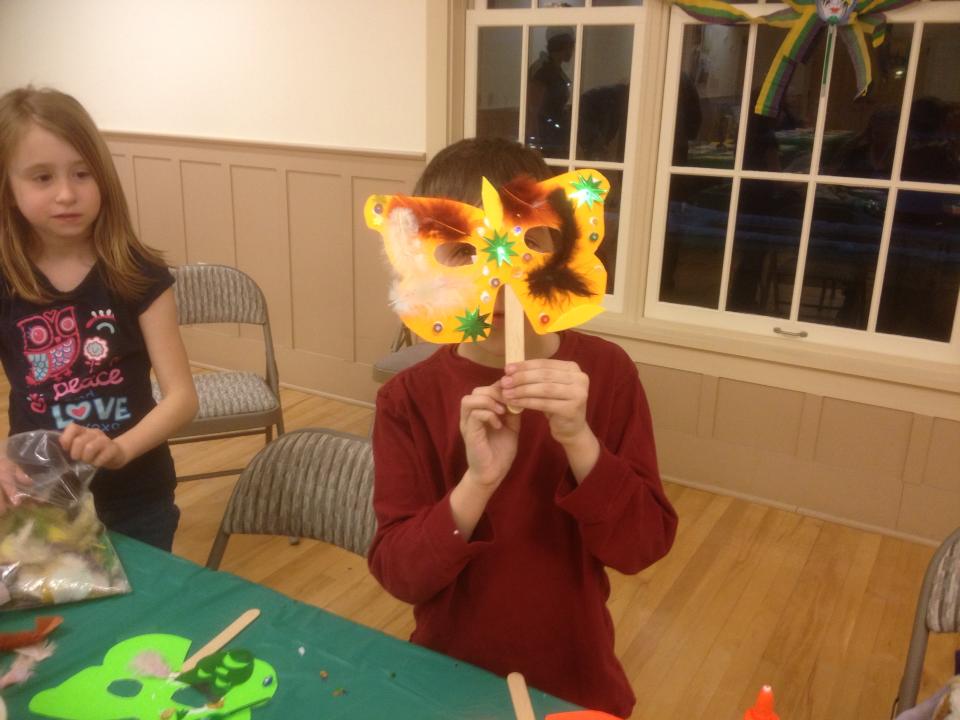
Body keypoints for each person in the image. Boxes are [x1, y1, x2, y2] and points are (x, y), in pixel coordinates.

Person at [367, 137, 678, 716]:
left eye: (528, 244)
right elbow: (401, 574)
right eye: (463, 252)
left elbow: (643, 546)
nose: (501, 276)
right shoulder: (406, 400)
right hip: (447, 679)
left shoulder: (608, 375)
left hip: (575, 679)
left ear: (563, 250)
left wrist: (580, 440)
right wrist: (477, 483)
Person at [0, 86, 198, 550]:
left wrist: (120, 449)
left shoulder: (139, 274)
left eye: (82, 173)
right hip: (41, 495)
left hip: (138, 496)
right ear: (8, 190)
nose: (67, 194)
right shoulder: (7, 282)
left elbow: (182, 398)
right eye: (42, 177)